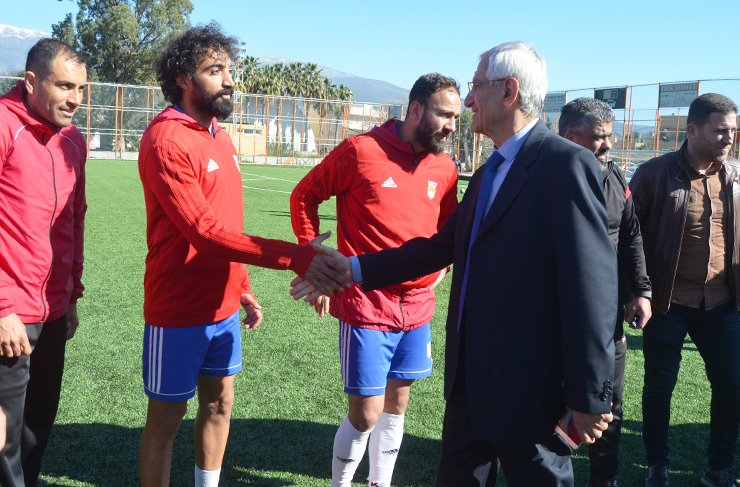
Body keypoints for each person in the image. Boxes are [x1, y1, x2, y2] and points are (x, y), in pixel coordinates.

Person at [293, 41, 618, 487]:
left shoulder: (565, 164)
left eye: (476, 87)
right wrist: (352, 270)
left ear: (509, 91)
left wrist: (590, 393)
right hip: (469, 384)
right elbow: (438, 247)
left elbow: (593, 286)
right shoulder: (487, 172)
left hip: (529, 390)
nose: (467, 102)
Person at [137, 23, 350, 487]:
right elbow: (205, 233)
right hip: (177, 307)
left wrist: (242, 286)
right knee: (165, 421)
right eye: (215, 70)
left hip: (223, 307)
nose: (230, 80)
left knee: (220, 405)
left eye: (229, 70)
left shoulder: (220, 136)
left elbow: (227, 222)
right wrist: (297, 257)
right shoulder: (166, 139)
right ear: (183, 78)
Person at [290, 73, 460, 487]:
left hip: (417, 309)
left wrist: (440, 270)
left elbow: (450, 231)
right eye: (444, 115)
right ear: (416, 109)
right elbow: (304, 195)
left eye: (456, 117)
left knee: (397, 406)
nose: (452, 126)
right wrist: (313, 258)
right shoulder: (360, 151)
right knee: (366, 414)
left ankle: (378, 482)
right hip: (366, 305)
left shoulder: (445, 167)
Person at [629, 93, 740, 487]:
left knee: (733, 385)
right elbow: (628, 238)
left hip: (723, 305)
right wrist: (637, 291)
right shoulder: (653, 174)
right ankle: (657, 464)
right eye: (721, 130)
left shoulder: (736, 176)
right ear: (692, 130)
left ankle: (718, 467)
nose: (729, 138)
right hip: (667, 303)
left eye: (733, 130)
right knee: (660, 387)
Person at [0, 38, 88, 487]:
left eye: (81, 89)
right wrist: (1, 308)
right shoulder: (3, 124)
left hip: (52, 310)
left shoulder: (74, 140)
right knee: (3, 438)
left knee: (36, 427)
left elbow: (75, 219)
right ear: (31, 81)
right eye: (64, 86)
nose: (75, 99)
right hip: (9, 312)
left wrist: (71, 296)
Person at [559, 97, 653, 487]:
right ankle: (545, 466)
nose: (609, 145)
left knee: (608, 399)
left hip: (607, 315)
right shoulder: (546, 178)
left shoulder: (614, 177)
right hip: (557, 314)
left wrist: (640, 291)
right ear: (571, 138)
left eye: (610, 136)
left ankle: (604, 478)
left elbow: (630, 237)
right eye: (600, 137)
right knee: (551, 399)